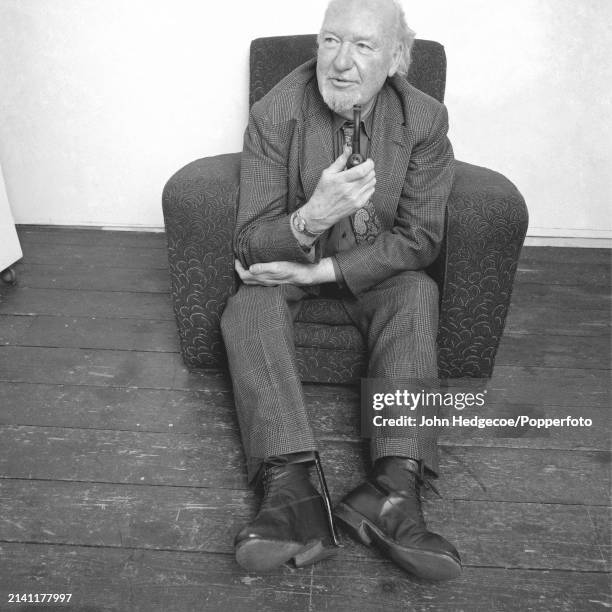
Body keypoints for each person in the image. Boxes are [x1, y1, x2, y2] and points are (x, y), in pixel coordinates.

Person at [221, 0, 461, 581]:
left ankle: (393, 491)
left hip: (368, 272)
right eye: (331, 41)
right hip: (289, 266)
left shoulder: (423, 120)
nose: (341, 62)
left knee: (416, 292)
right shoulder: (276, 111)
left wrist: (322, 274)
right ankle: (292, 493)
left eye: (363, 45)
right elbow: (251, 244)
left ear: (397, 58)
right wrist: (309, 218)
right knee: (246, 302)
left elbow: (420, 239)